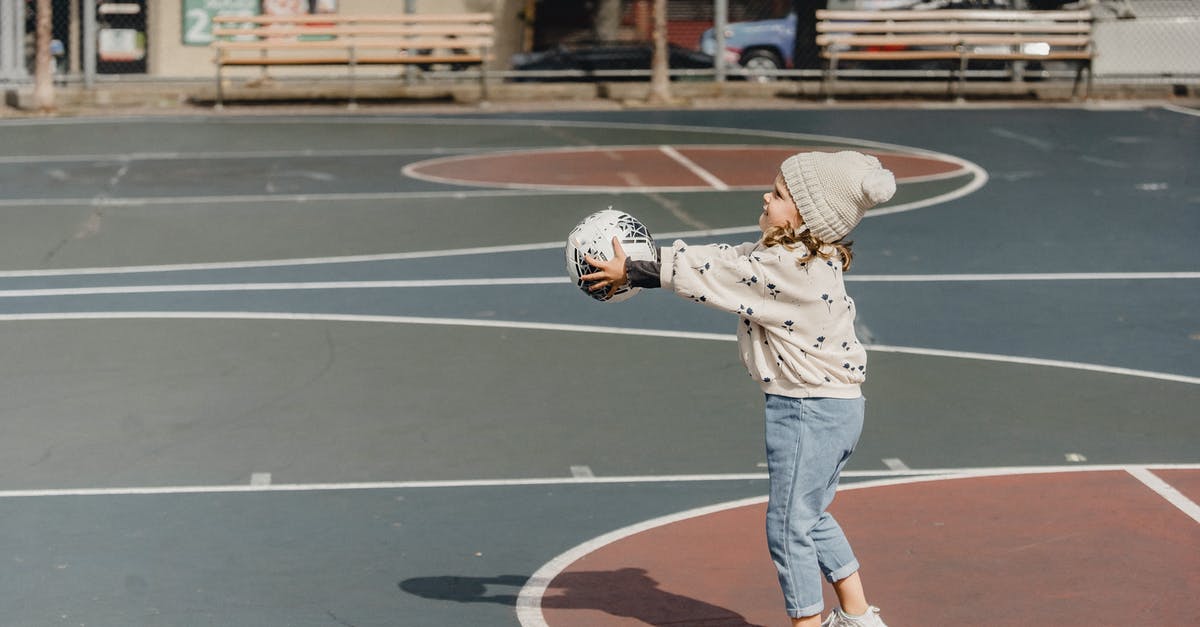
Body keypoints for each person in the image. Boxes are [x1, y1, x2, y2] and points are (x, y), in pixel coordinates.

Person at [582, 151, 895, 627]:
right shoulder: (797, 257)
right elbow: (729, 260)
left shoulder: (786, 269)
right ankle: (857, 615)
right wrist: (651, 261)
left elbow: (718, 277)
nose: (766, 197)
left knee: (787, 526)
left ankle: (808, 624)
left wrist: (638, 271)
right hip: (837, 409)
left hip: (808, 411)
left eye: (780, 194)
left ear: (807, 219)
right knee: (808, 514)